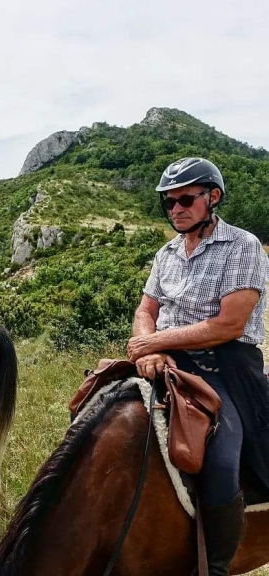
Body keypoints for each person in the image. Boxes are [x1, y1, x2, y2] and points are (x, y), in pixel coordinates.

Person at [127, 157, 269, 576]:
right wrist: (146, 351)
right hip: (165, 358)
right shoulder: (166, 253)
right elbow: (145, 308)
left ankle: (217, 566)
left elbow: (229, 323)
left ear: (213, 197)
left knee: (223, 454)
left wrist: (152, 342)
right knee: (93, 409)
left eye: (186, 199)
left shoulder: (242, 245)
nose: (176, 210)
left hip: (225, 364)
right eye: (168, 203)